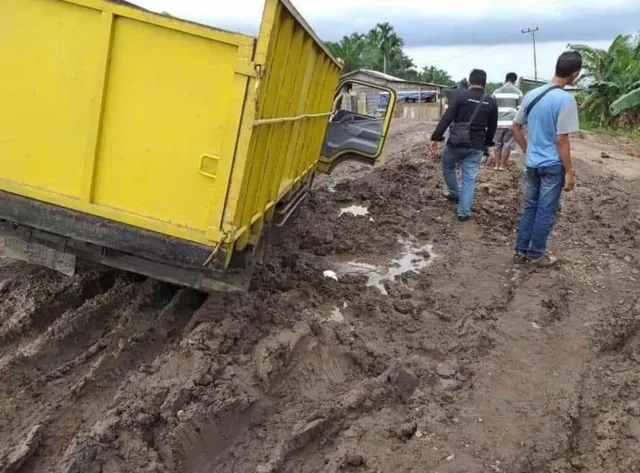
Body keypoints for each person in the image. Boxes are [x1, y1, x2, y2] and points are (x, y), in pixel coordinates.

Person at [511, 51, 582, 267]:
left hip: (533, 164)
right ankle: (536, 255)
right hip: (552, 166)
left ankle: (521, 250)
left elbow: (515, 127)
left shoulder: (532, 95)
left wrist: (528, 150)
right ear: (576, 74)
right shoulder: (565, 100)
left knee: (530, 206)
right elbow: (562, 139)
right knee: (545, 210)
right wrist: (569, 172)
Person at [430, 69, 498, 221]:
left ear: (469, 82)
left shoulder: (461, 97)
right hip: (476, 146)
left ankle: (454, 193)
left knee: (448, 165)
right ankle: (463, 212)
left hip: (456, 143)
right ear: (485, 84)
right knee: (469, 179)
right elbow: (492, 127)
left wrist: (436, 137)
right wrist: (487, 146)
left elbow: (447, 118)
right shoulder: (491, 102)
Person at [489, 72, 523, 170]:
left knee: (497, 144)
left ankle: (496, 165)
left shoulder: (496, 92)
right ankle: (503, 165)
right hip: (510, 123)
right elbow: (520, 110)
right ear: (514, 81)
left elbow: (492, 108)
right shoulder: (518, 92)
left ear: (505, 79)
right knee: (507, 144)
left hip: (498, 123)